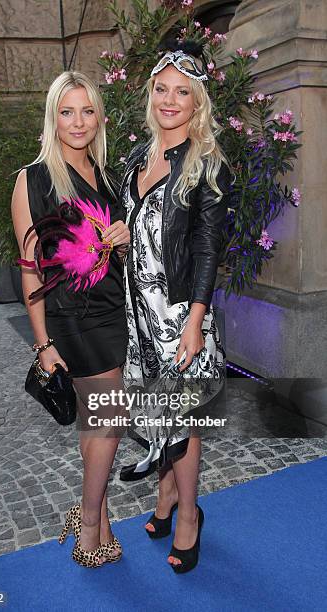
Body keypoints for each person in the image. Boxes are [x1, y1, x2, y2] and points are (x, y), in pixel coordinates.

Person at [120, 43, 232, 573]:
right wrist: (122, 234)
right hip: (139, 313)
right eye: (161, 89)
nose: (170, 100)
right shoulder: (140, 157)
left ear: (197, 102)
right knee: (154, 413)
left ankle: (188, 514)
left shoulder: (205, 163)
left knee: (181, 419)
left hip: (180, 316)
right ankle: (164, 498)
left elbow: (209, 248)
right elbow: (144, 228)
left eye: (181, 92)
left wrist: (194, 322)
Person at [11, 71, 130, 568]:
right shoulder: (34, 178)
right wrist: (43, 344)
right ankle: (87, 520)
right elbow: (28, 268)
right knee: (110, 421)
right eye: (67, 111)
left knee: (96, 424)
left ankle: (96, 519)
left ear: (98, 117)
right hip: (72, 318)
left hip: (111, 308)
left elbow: (118, 254)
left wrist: (122, 239)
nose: (77, 121)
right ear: (53, 119)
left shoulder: (106, 177)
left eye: (86, 110)